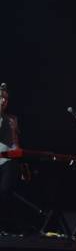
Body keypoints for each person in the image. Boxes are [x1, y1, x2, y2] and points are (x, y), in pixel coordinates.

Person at [0, 83, 21, 234]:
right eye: (0, 98)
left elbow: (15, 142)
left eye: (5, 99)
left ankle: (5, 227)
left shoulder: (13, 118)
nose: (3, 101)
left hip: (9, 161)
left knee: (6, 193)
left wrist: (22, 162)